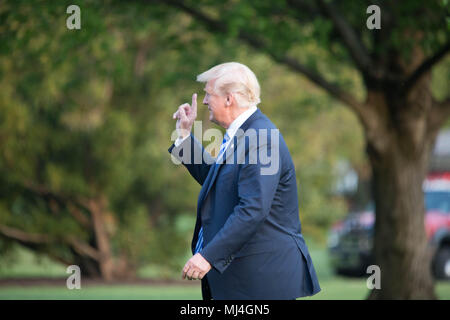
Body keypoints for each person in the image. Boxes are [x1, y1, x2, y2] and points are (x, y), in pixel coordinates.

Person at [169, 62, 320, 300]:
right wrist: (185, 136)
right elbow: (217, 183)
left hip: (261, 281)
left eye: (209, 94)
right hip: (247, 278)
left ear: (229, 99)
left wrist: (208, 255)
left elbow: (253, 209)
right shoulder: (244, 134)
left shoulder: (261, 138)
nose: (205, 101)